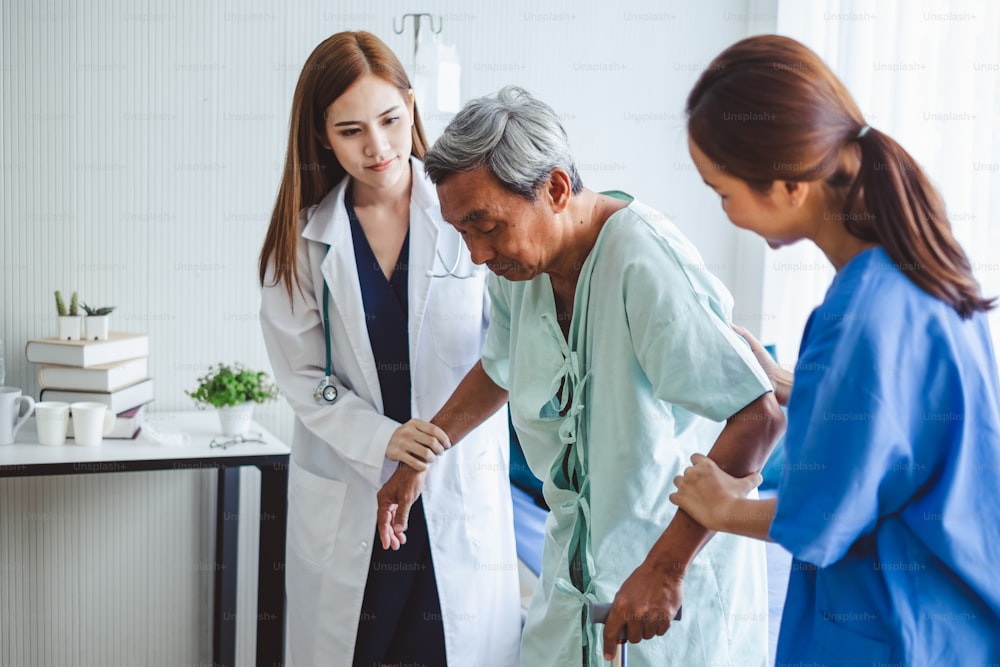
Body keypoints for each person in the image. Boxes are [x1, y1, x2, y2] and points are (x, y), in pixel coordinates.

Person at [377, 85, 785, 666]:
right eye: (462, 232)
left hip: (671, 580)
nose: (476, 254)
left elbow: (757, 412)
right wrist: (423, 456)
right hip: (579, 571)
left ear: (557, 189)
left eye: (485, 226)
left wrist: (665, 568)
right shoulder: (520, 268)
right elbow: (500, 367)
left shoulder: (642, 262)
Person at [671, 34, 1000, 665]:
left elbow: (824, 516)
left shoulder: (857, 317)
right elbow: (905, 422)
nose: (726, 212)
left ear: (789, 185)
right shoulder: (926, 267)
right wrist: (796, 385)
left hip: (892, 629)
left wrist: (722, 505)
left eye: (723, 193)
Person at [257, 31, 520, 667]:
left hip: (453, 490)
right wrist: (382, 438)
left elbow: (510, 347)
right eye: (350, 131)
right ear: (322, 135)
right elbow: (305, 379)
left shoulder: (469, 214)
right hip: (356, 490)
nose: (377, 147)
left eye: (389, 120)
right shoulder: (302, 243)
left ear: (411, 104)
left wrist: (428, 444)